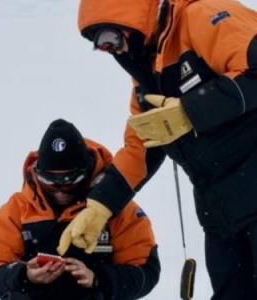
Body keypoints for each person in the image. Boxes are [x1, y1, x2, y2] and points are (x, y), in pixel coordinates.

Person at [56, 0, 257, 299]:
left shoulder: (201, 16)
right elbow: (142, 145)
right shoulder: (149, 73)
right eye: (101, 46)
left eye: (111, 38)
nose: (112, 50)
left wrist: (192, 110)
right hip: (221, 216)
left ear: (131, 18)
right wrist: (100, 206)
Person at [0, 119, 160, 300]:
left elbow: (145, 271)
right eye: (50, 183)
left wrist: (97, 278)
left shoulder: (118, 209)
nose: (61, 191)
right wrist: (23, 275)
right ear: (37, 174)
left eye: (71, 181)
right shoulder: (17, 210)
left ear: (87, 172)